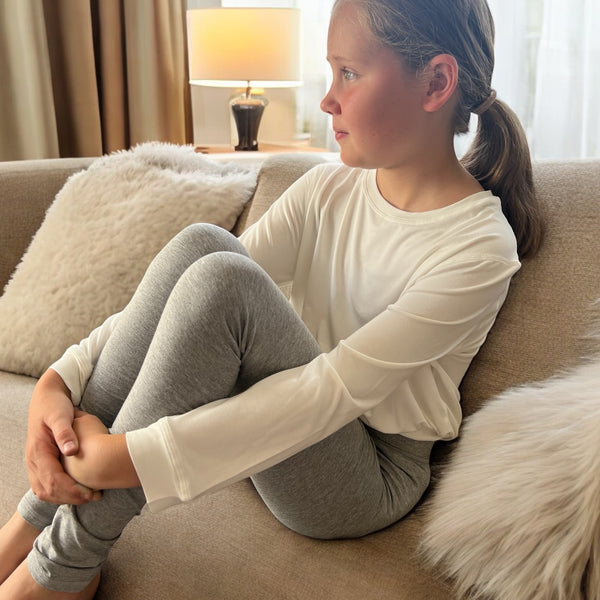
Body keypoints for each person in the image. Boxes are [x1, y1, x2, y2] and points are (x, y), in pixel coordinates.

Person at [0, 0, 543, 597]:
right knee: (205, 246)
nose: (327, 99)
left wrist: (126, 459)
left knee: (224, 282)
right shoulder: (328, 187)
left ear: (436, 82)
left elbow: (327, 394)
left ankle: (64, 567)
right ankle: (32, 519)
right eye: (331, 73)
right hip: (284, 431)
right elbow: (203, 272)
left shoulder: (479, 248)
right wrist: (59, 380)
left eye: (350, 73)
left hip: (363, 476)